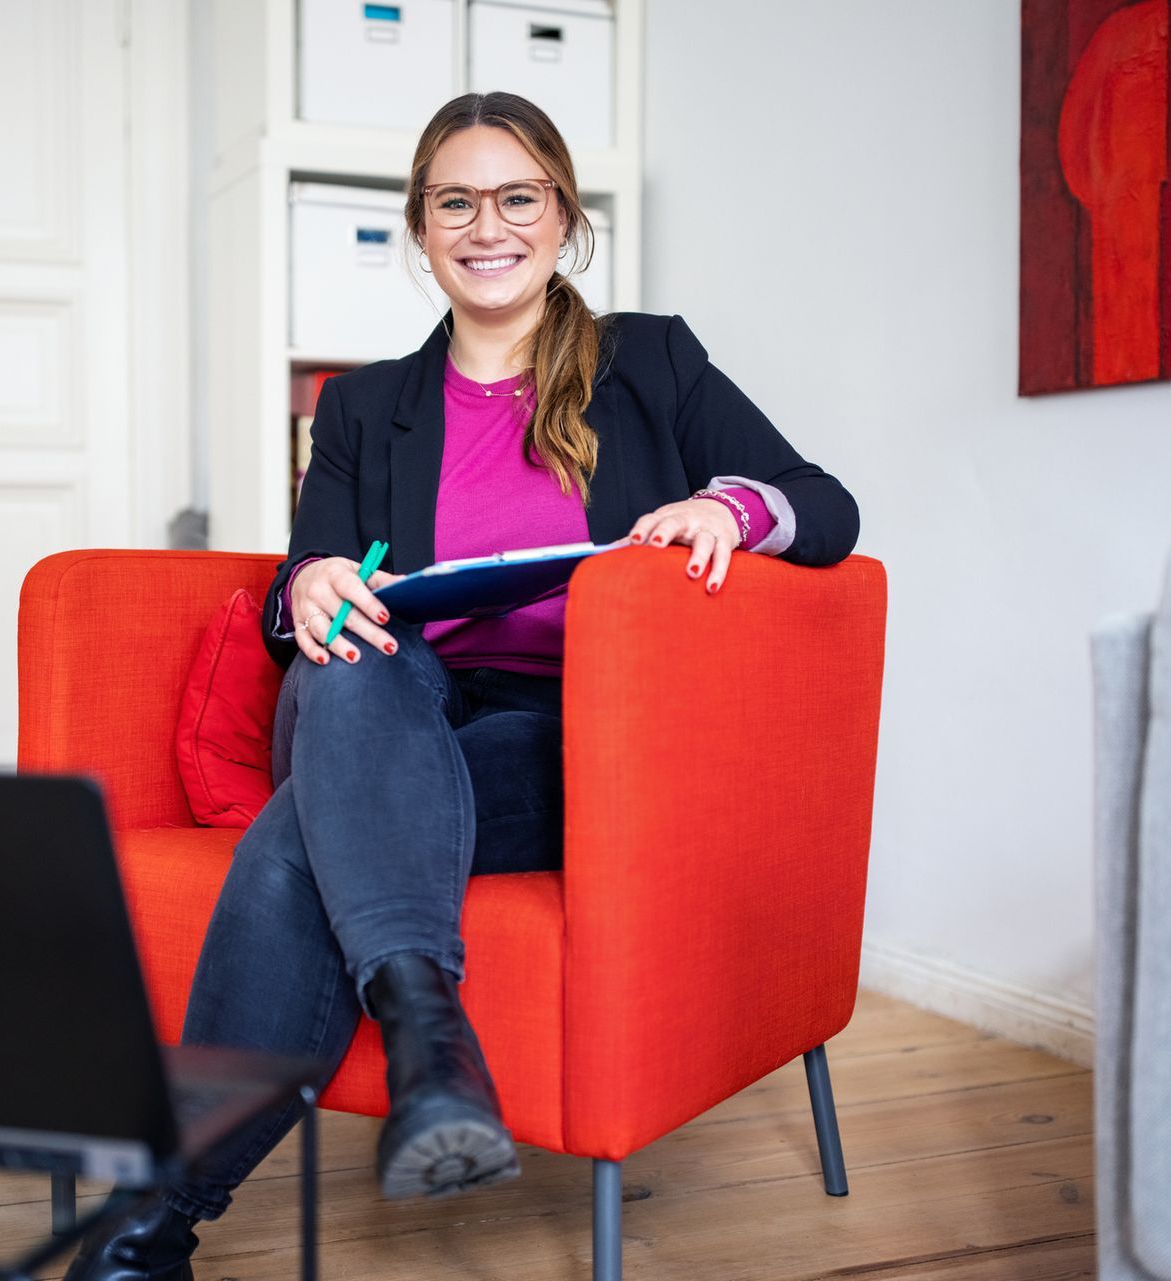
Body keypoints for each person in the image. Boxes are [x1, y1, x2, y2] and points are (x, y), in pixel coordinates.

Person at [63, 91, 859, 1281]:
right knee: (362, 660)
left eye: (518, 197)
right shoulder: (362, 406)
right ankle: (432, 1045)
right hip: (390, 704)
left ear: (563, 216)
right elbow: (299, 593)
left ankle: (155, 1223)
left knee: (298, 837)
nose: (488, 226)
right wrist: (313, 585)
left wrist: (728, 508)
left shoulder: (652, 361)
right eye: (456, 203)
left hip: (569, 741)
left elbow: (827, 505)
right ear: (421, 230)